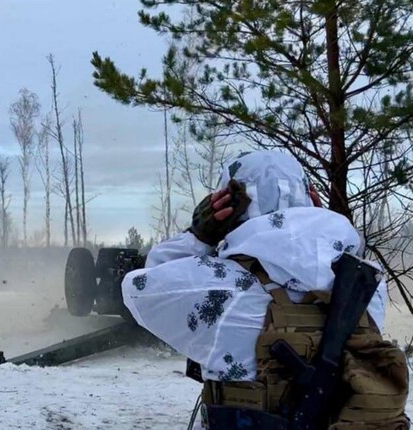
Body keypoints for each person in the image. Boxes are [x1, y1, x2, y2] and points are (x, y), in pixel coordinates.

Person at [121, 150, 409, 429]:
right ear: (311, 200)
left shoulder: (220, 288)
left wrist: (199, 237)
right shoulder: (367, 286)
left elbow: (138, 290)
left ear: (226, 208)